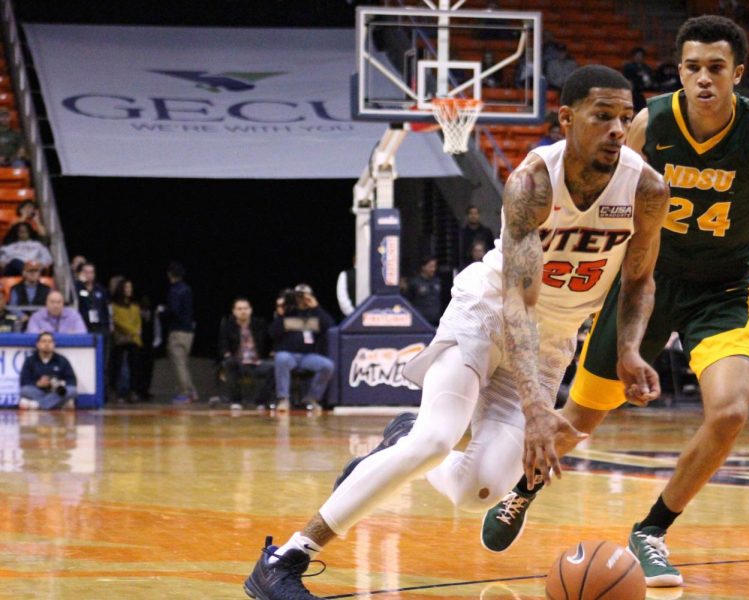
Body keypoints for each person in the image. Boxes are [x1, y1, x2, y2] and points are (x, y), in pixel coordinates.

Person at [243, 64, 670, 600]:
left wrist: (629, 350)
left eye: (625, 118)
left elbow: (638, 283)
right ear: (566, 119)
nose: (616, 128)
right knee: (436, 439)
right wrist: (538, 408)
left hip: (552, 341)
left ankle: (397, 439)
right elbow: (518, 300)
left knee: (479, 490)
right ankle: (285, 559)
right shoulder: (535, 181)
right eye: (602, 116)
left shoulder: (648, 188)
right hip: (488, 313)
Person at [480, 15, 749, 588]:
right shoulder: (650, 121)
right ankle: (523, 491)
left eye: (716, 68)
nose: (703, 79)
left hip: (723, 289)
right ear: (680, 71)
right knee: (580, 421)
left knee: (731, 412)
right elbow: (594, 180)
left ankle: (653, 530)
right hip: (647, 281)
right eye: (692, 67)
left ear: (737, 74)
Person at [270, 285, 335, 413]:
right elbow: (273, 333)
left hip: (308, 356)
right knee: (281, 358)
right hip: (289, 354)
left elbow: (330, 326)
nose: (301, 299)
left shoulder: (316, 314)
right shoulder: (288, 312)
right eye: (298, 296)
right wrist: (281, 314)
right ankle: (283, 399)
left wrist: (316, 307)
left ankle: (312, 399)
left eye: (304, 296)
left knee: (327, 365)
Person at [218, 297, 273, 410]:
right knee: (230, 363)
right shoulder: (228, 325)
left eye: (245, 308)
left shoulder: (260, 324)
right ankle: (236, 400)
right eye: (239, 309)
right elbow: (223, 345)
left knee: (274, 367)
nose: (243, 311)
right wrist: (227, 354)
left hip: (257, 362)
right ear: (234, 311)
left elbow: (271, 340)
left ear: (250, 310)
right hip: (238, 362)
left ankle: (261, 401)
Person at [159, 261, 196, 403]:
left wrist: (162, 312)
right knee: (183, 362)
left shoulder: (175, 290)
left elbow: (174, 311)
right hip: (188, 332)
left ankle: (185, 393)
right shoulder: (187, 289)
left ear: (170, 274)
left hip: (178, 331)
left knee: (179, 363)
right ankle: (191, 391)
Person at [18, 332, 78, 410]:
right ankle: (59, 404)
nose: (47, 344)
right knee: (24, 390)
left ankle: (38, 405)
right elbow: (24, 381)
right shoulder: (30, 360)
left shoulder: (62, 360)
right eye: (44, 341)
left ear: (54, 344)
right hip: (38, 391)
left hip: (56, 392)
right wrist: (38, 384)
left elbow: (72, 380)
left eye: (50, 342)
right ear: (38, 344)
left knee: (72, 391)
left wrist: (59, 383)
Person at [110, 279, 142, 404]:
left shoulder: (135, 306)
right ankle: (115, 392)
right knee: (117, 366)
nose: (129, 290)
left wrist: (136, 333)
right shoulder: (114, 306)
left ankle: (133, 392)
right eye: (126, 287)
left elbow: (138, 322)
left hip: (133, 341)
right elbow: (118, 321)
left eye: (130, 287)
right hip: (120, 340)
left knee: (134, 366)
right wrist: (133, 331)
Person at [403, 256, 443, 326]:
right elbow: (407, 302)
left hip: (437, 321)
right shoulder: (414, 282)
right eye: (430, 267)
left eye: (434, 266)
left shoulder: (438, 281)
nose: (433, 269)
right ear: (423, 267)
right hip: (421, 322)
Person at [75, 263, 111, 336]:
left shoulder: (100, 289)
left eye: (91, 272)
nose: (89, 275)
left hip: (100, 326)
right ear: (81, 273)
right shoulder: (77, 287)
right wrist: (80, 283)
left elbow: (105, 309)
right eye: (86, 272)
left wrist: (107, 326)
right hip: (83, 326)